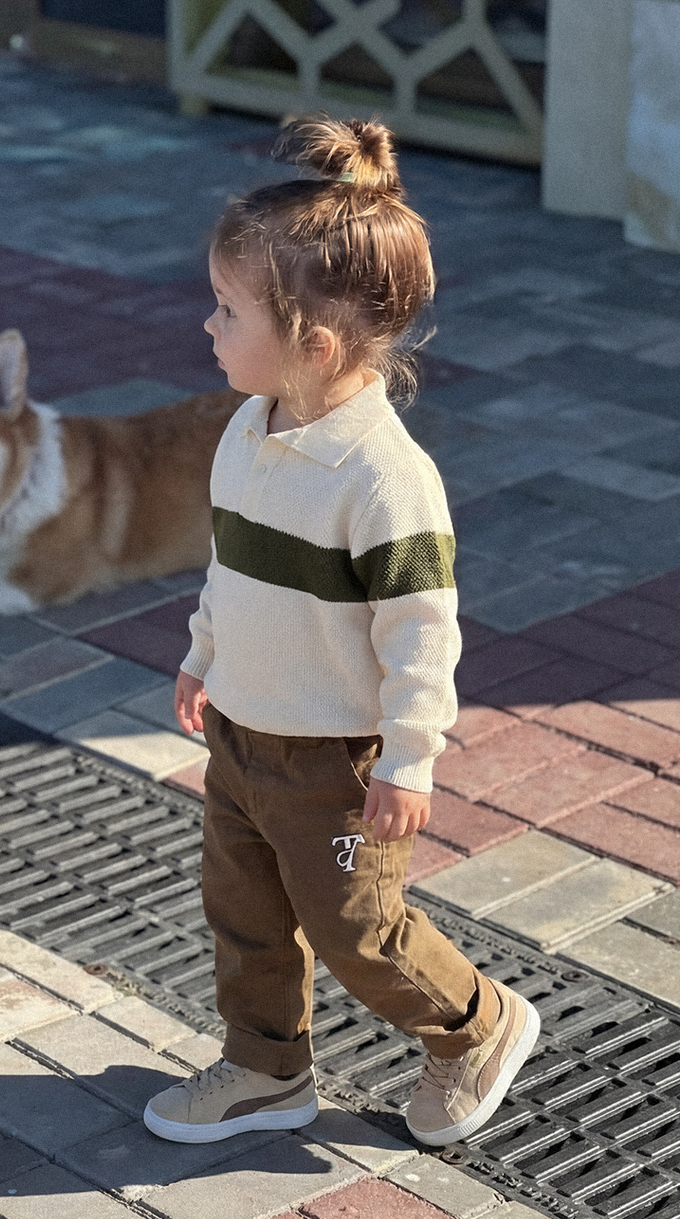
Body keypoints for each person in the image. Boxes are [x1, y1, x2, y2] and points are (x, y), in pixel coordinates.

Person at [143, 115, 539, 1148]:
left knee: (357, 927)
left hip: (332, 758)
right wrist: (202, 653)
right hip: (240, 730)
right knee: (243, 910)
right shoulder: (248, 424)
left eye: (228, 311)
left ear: (311, 344)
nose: (208, 327)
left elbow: (422, 630)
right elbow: (231, 565)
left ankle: (475, 1024)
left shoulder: (383, 478)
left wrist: (409, 760)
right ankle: (265, 1066)